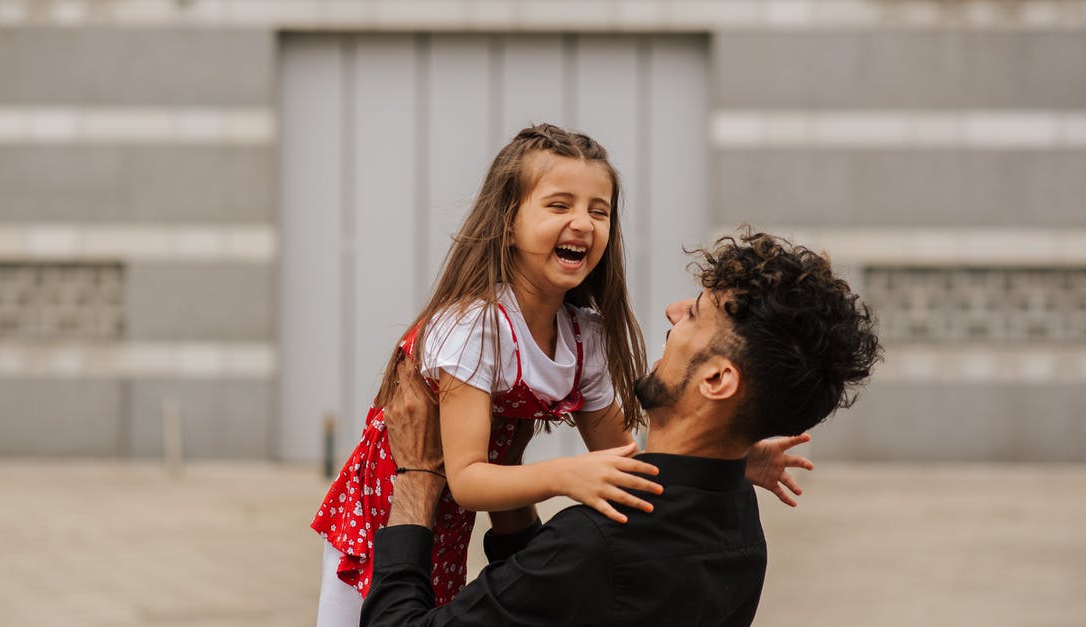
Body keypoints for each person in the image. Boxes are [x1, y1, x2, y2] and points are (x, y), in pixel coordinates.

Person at [311, 125, 808, 626]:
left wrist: (724, 459)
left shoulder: (583, 334)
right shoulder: (474, 326)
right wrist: (564, 477)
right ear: (507, 222)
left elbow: (623, 461)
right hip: (383, 513)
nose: (583, 223)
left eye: (599, 210)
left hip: (446, 525)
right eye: (558, 205)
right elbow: (465, 480)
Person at [361, 229, 883, 627]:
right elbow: (555, 603)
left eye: (696, 315)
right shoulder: (738, 527)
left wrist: (415, 478)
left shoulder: (595, 544)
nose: (673, 312)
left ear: (718, 379)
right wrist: (505, 470)